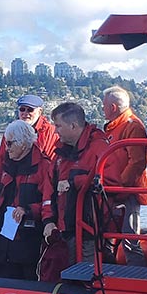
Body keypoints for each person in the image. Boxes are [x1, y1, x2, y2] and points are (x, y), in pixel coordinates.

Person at [44, 102, 112, 264]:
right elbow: (49, 190)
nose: (55, 131)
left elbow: (112, 182)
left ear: (73, 126)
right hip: (64, 230)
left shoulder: (99, 148)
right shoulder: (61, 153)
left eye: (58, 126)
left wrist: (75, 182)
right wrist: (48, 221)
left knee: (86, 272)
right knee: (66, 272)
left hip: (89, 230)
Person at [0, 120, 53, 280]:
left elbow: (50, 202)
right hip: (6, 239)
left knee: (28, 278)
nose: (6, 148)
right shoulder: (7, 165)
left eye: (9, 143)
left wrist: (27, 210)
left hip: (29, 239)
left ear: (23, 144)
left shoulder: (43, 167)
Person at [102, 86, 147, 265]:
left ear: (113, 107)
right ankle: (111, 270)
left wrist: (120, 186)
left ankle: (138, 275)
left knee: (130, 240)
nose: (102, 109)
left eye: (104, 105)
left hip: (127, 191)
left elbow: (137, 162)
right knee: (108, 237)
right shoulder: (117, 127)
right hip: (113, 190)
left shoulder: (132, 126)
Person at [0, 94, 59, 186]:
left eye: (30, 110)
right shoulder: (12, 130)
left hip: (37, 182)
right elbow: (1, 159)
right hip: (12, 178)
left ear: (40, 111)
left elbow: (52, 160)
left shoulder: (50, 132)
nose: (25, 113)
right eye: (22, 109)